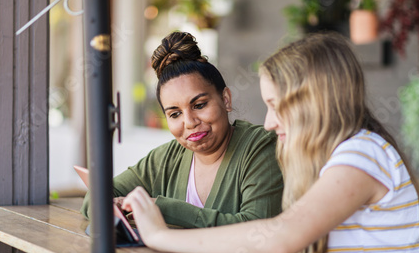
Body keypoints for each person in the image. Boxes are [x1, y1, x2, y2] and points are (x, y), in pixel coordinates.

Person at [122, 32, 419, 253]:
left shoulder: (362, 154)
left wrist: (161, 236)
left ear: (313, 102)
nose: (270, 122)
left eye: (277, 106)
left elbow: (279, 238)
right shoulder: (334, 158)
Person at [80, 31, 283, 228]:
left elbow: (256, 228)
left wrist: (160, 209)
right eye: (175, 114)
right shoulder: (166, 158)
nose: (189, 122)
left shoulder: (260, 147)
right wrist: (113, 207)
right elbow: (95, 198)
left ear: (226, 99)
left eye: (199, 105)